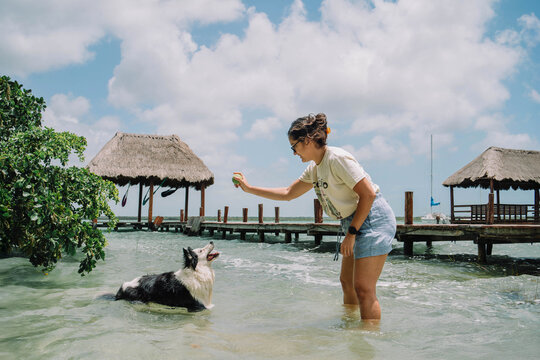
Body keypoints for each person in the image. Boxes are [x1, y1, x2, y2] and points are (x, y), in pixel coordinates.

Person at [233, 113, 396, 320]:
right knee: (347, 283)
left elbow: (368, 194)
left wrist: (352, 234)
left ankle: (367, 342)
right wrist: (249, 189)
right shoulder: (315, 169)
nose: (293, 153)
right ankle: (350, 333)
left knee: (364, 288)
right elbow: (288, 193)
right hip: (353, 221)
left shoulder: (337, 159)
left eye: (294, 147)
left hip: (372, 219)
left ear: (307, 141)